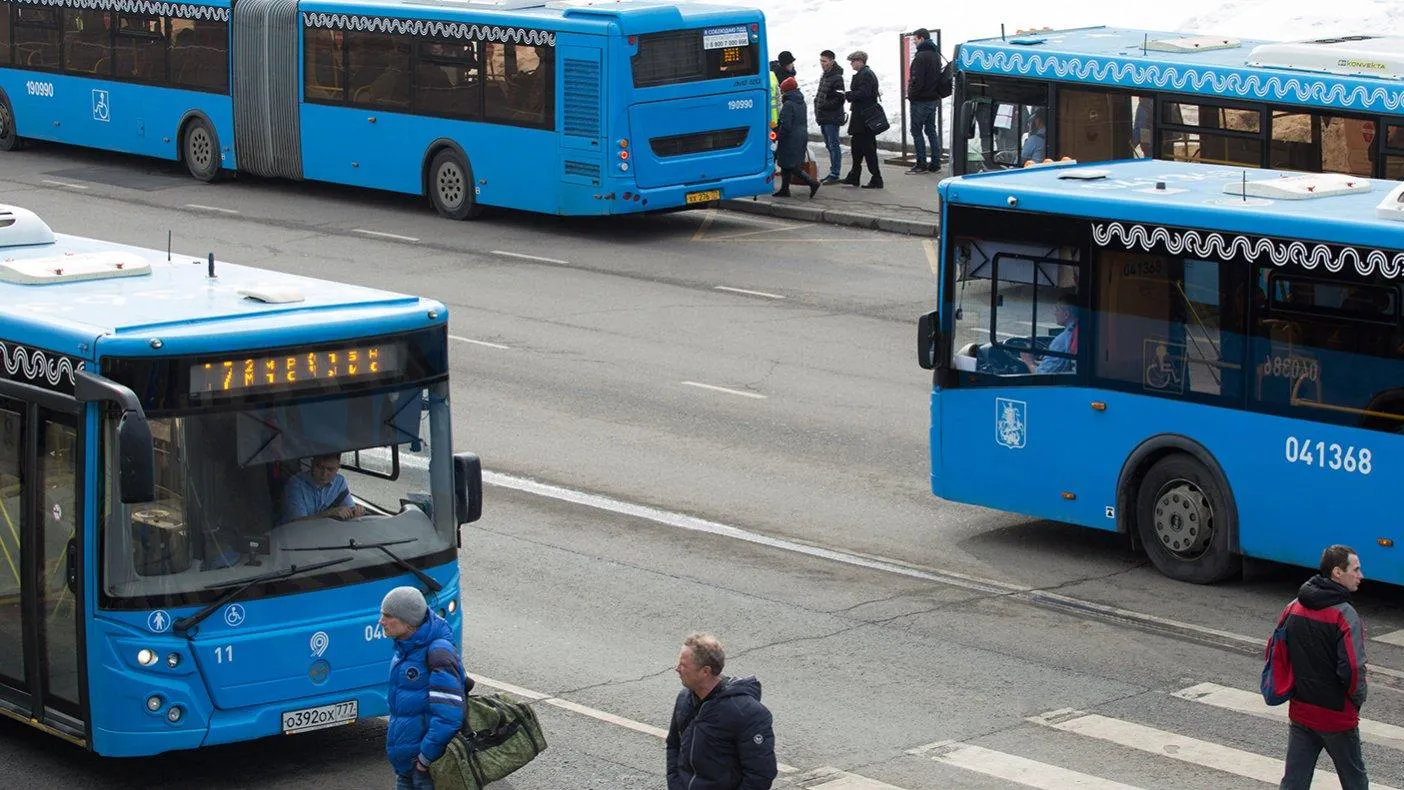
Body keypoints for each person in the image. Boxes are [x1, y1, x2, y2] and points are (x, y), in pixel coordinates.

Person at [1277, 546, 1369, 790]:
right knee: (1355, 782)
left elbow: (1279, 655)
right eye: (1356, 569)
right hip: (1336, 715)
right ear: (1338, 572)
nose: (1361, 575)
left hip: (1301, 711)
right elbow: (1352, 669)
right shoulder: (1344, 615)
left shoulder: (1293, 607)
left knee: (1294, 782)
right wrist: (1356, 700)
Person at [382, 586, 468, 790]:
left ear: (408, 621)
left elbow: (449, 717)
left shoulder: (438, 653)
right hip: (407, 768)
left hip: (425, 771)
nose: (381, 622)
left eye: (387, 616)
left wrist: (424, 760)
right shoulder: (405, 649)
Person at [666, 633, 776, 790]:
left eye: (683, 665)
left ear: (705, 671)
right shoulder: (685, 697)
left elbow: (760, 775)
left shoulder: (747, 713)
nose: (677, 669)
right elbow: (673, 745)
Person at [280, 453, 365, 523]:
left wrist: (355, 512)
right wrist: (328, 513)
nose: (324, 474)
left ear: (338, 468)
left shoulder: (339, 481)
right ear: (312, 464)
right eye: (320, 467)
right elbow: (297, 523)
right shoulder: (296, 484)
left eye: (330, 469)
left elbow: (349, 509)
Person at [841, 50, 882, 189]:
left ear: (860, 61)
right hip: (860, 117)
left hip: (864, 119)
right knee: (856, 148)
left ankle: (876, 178)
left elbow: (864, 93)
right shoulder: (863, 74)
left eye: (853, 61)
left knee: (868, 149)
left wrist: (848, 95)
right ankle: (854, 175)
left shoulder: (866, 74)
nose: (851, 63)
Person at [773, 76, 819, 198]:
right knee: (786, 163)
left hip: (790, 137)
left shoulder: (788, 104)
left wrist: (778, 136)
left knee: (790, 164)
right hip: (801, 135)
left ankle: (812, 182)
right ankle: (784, 189)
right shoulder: (801, 101)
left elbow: (786, 125)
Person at [905, 28, 942, 174]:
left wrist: (912, 95)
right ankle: (935, 162)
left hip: (920, 100)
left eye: (915, 39)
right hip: (933, 99)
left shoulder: (921, 57)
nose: (914, 42)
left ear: (921, 38)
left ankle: (921, 163)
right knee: (931, 130)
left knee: (916, 131)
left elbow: (917, 80)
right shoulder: (935, 54)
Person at [1019, 294, 1077, 374]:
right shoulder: (1079, 331)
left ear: (1066, 314)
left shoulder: (1061, 340)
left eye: (1057, 310)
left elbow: (1042, 375)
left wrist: (1029, 361)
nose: (1055, 314)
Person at [813, 50, 846, 184]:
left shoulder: (837, 78)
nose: (822, 64)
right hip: (824, 117)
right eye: (821, 61)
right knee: (829, 145)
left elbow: (839, 99)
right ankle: (833, 171)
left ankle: (835, 173)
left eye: (824, 61)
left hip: (831, 117)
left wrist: (823, 105)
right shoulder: (825, 75)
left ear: (832, 61)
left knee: (833, 145)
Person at [768, 50, 795, 130]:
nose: (792, 65)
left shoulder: (788, 73)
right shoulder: (781, 77)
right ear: (784, 65)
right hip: (778, 114)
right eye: (790, 63)